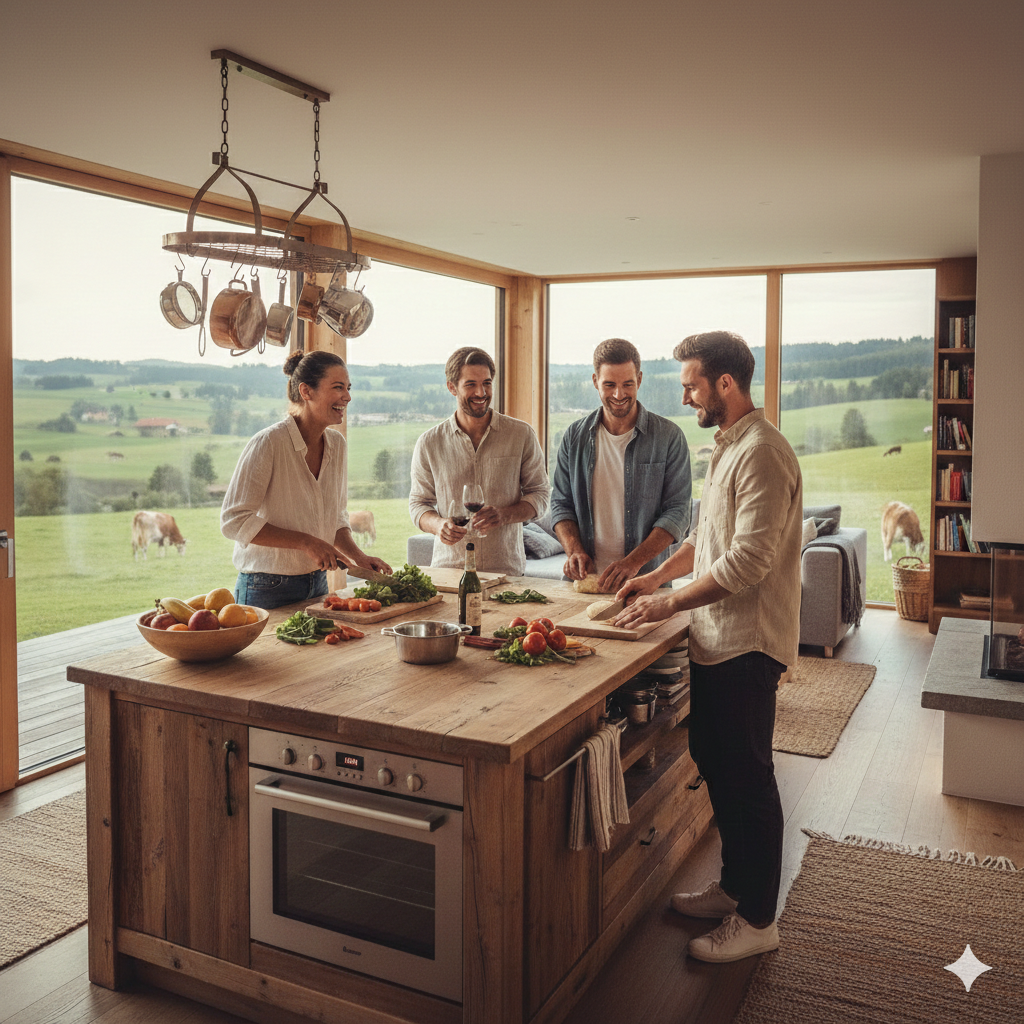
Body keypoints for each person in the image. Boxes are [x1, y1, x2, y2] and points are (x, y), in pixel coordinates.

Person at [614, 330, 803, 964]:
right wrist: (655, 576)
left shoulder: (763, 454)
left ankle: (758, 920)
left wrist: (668, 603)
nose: (685, 392)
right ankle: (735, 888)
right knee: (713, 757)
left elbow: (749, 559)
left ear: (726, 383)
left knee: (748, 776)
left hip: (748, 642)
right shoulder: (726, 447)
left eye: (692, 381)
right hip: (715, 638)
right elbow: (706, 538)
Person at [221, 350, 392, 610]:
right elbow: (234, 520)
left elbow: (335, 518)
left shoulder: (337, 444)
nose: (347, 396)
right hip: (264, 587)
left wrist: (358, 557)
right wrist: (307, 542)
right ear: (306, 391)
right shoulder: (269, 443)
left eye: (348, 388)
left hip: (317, 583)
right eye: (337, 387)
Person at [550, 338, 692, 593]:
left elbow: (678, 513)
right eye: (609, 385)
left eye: (627, 384)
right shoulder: (574, 437)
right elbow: (561, 502)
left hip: (647, 585)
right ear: (595, 382)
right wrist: (574, 550)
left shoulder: (669, 437)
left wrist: (632, 563)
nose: (619, 394)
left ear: (639, 379)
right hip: (583, 582)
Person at [409, 347, 549, 576]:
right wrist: (438, 525)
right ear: (452, 387)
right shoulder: (429, 442)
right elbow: (418, 504)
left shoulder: (521, 434)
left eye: (486, 383)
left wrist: (505, 515)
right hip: (449, 570)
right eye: (470, 384)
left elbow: (541, 495)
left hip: (506, 571)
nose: (481, 392)